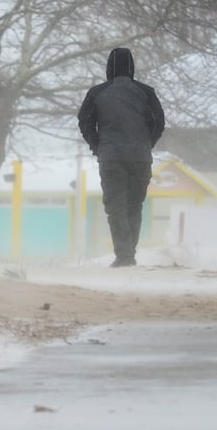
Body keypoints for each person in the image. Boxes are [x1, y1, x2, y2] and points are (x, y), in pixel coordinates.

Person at [78, 47, 165, 267]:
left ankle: (124, 256)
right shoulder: (146, 92)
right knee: (134, 205)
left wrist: (98, 147)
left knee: (115, 206)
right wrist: (147, 144)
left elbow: (84, 122)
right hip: (140, 158)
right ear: (132, 66)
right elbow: (159, 123)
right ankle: (129, 254)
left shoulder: (97, 93)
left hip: (111, 158)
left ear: (109, 67)